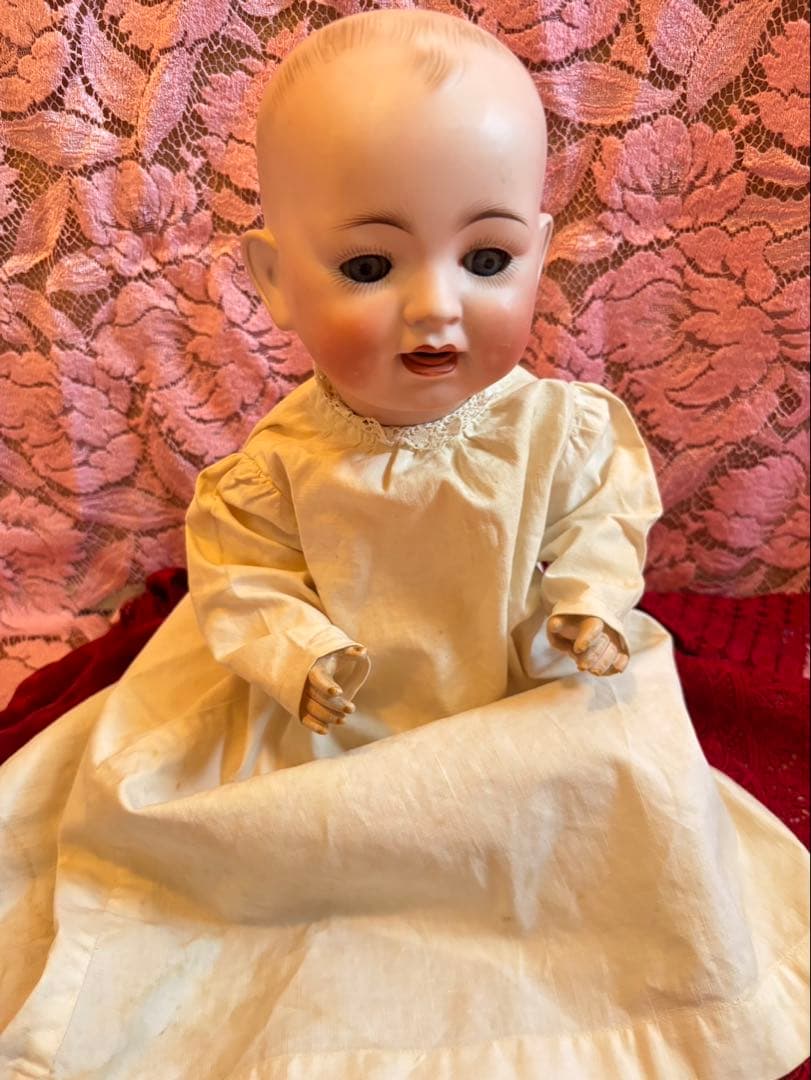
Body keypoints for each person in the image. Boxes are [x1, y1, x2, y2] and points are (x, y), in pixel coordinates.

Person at [0, 11, 808, 1078]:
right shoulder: (283, 466)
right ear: (276, 280)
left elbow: (602, 519)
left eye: (486, 258)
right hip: (332, 721)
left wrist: (587, 599)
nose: (435, 307)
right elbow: (242, 580)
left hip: (519, 689)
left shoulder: (559, 431)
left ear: (539, 251)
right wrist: (295, 651)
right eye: (371, 264)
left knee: (625, 781)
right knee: (204, 844)